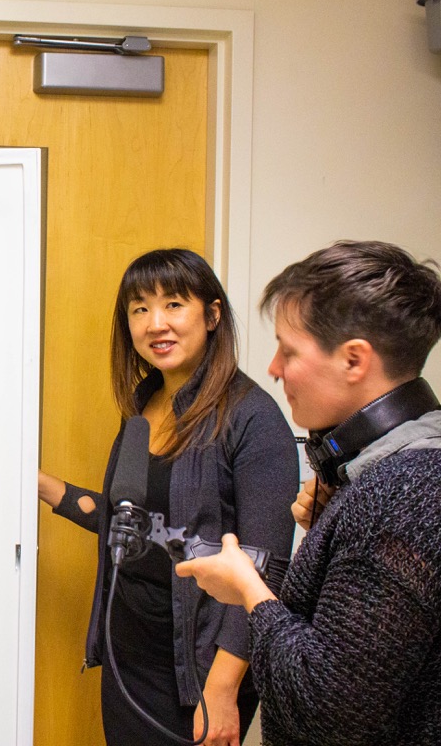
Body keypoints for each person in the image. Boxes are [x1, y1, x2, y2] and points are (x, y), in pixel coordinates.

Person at [175, 240, 441, 745]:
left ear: (354, 360)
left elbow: (328, 713)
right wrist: (330, 533)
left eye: (288, 350)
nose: (273, 368)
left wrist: (250, 590)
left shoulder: (399, 494)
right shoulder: (394, 476)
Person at [39, 248, 299, 746]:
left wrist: (222, 688)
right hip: (129, 652)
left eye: (174, 304)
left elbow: (267, 570)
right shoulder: (143, 405)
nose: (155, 323)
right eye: (140, 309)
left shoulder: (253, 418)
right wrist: (36, 483)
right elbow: (130, 523)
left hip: (198, 670)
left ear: (213, 314)